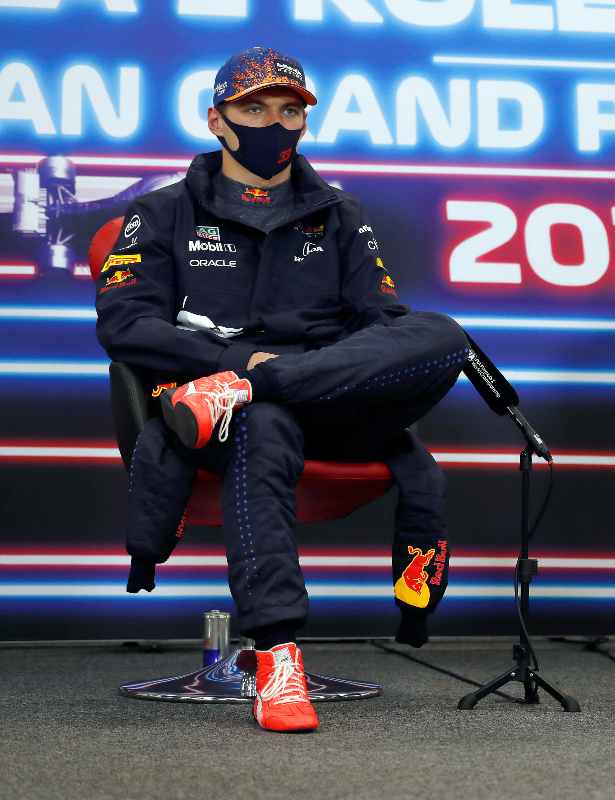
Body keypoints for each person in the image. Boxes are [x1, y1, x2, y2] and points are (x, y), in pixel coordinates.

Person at [95, 47, 466, 733]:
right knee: (263, 425)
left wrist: (259, 377)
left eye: (289, 109)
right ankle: (278, 656)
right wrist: (229, 358)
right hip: (211, 421)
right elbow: (124, 324)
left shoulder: (340, 215)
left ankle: (248, 387)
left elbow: (384, 323)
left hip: (330, 403)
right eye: (254, 108)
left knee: (442, 333)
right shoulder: (161, 212)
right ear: (217, 120)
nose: (275, 122)